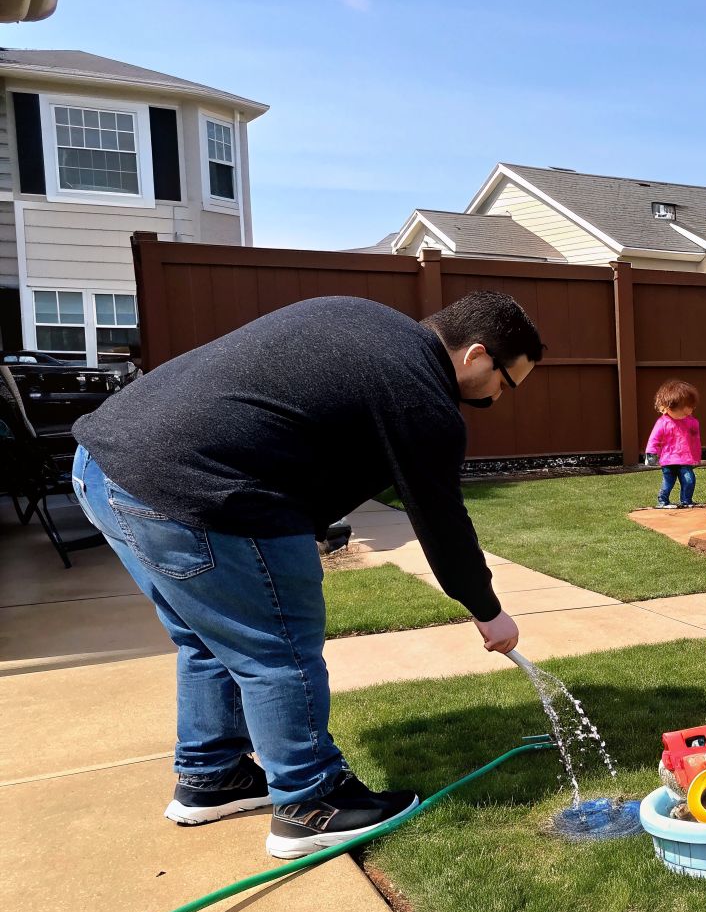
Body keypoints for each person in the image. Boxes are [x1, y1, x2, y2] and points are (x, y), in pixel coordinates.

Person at [69, 291, 543, 859]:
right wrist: (487, 610)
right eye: (505, 383)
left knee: (209, 639)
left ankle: (211, 776)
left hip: (104, 468)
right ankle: (311, 803)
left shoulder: (364, 318)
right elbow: (441, 520)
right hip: (201, 492)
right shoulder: (420, 393)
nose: (497, 397)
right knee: (279, 652)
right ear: (476, 355)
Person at [643, 379, 702, 509]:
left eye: (691, 407)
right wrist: (651, 453)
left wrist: (696, 456)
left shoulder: (691, 422)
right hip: (668, 459)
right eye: (685, 409)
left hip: (685, 459)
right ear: (669, 407)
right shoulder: (663, 422)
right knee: (668, 481)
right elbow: (654, 439)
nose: (689, 411)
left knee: (689, 480)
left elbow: (695, 440)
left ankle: (686, 500)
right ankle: (663, 501)